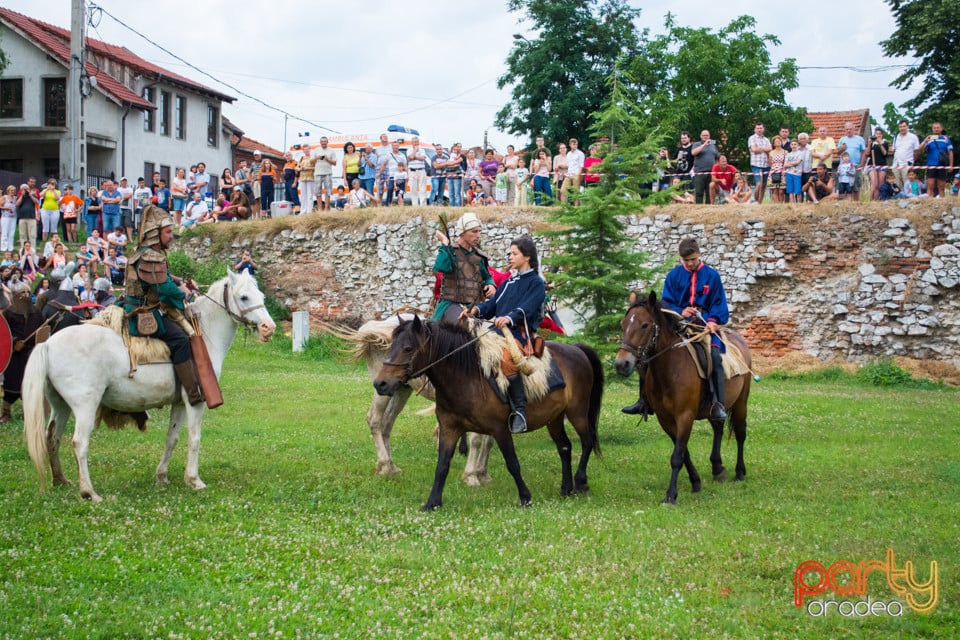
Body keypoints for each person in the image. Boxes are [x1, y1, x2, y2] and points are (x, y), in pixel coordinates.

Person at [623, 237, 729, 421]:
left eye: (693, 260)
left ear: (699, 255)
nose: (690, 263)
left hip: (704, 327)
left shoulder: (712, 276)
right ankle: (643, 401)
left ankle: (717, 404)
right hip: (678, 325)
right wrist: (681, 311)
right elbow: (666, 304)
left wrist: (713, 320)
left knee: (715, 358)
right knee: (647, 354)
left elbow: (719, 303)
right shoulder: (674, 276)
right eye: (686, 260)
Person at [461, 235, 546, 434]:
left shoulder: (536, 283)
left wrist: (509, 318)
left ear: (527, 257)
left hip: (518, 333)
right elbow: (492, 304)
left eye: (514, 253)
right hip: (495, 330)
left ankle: (520, 412)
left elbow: (528, 307)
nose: (510, 256)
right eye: (510, 253)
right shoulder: (509, 281)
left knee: (507, 359)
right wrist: (475, 311)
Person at [120, 204, 204, 405]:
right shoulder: (151, 257)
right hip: (143, 314)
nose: (171, 236)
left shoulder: (143, 254)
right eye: (167, 232)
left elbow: (162, 277)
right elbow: (164, 290)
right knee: (181, 340)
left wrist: (179, 281)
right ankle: (192, 395)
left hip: (136, 307)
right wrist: (185, 293)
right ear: (155, 235)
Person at [432, 211, 496, 324]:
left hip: (473, 307)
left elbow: (486, 277)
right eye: (474, 231)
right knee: (463, 326)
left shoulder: (479, 257)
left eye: (479, 231)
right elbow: (441, 267)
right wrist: (445, 243)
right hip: (450, 304)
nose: (478, 235)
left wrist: (490, 285)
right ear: (462, 233)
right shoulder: (451, 251)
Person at [0, 276, 44, 423]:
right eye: (22, 293)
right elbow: (3, 334)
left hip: (30, 354)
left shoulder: (36, 313)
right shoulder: (8, 313)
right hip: (14, 356)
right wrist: (14, 342)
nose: (25, 296)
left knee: (30, 386)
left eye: (27, 292)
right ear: (16, 296)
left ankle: (28, 413)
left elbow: (43, 331)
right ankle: (6, 413)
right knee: (11, 385)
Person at [917, 122, 953, 198]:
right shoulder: (929, 139)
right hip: (931, 165)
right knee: (930, 186)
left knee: (941, 186)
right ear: (932, 129)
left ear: (941, 128)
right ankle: (929, 203)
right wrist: (925, 141)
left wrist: (951, 165)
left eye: (938, 127)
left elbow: (950, 152)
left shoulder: (945, 139)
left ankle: (942, 202)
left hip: (942, 165)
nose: (936, 129)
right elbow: (919, 149)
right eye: (934, 128)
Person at [837, 123, 867, 200]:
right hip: (844, 167)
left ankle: (856, 204)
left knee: (856, 187)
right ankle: (845, 205)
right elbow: (837, 152)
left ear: (854, 130)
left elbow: (863, 152)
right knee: (843, 187)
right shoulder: (842, 139)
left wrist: (862, 163)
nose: (848, 131)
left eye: (850, 129)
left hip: (855, 166)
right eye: (847, 129)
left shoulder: (860, 139)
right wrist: (842, 148)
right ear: (845, 130)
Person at [691, 130, 720, 204]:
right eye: (703, 135)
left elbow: (717, 157)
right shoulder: (696, 144)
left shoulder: (713, 146)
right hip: (700, 172)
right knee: (699, 192)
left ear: (709, 136)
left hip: (711, 172)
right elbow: (693, 153)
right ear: (700, 136)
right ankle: (698, 208)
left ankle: (707, 209)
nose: (705, 137)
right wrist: (704, 145)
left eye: (707, 135)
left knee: (709, 192)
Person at [891, 120, 921, 188]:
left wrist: (912, 162)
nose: (902, 128)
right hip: (896, 164)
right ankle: (899, 197)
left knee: (907, 183)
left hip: (907, 164)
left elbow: (916, 151)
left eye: (904, 126)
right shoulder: (896, 137)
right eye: (900, 127)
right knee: (896, 183)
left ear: (907, 126)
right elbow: (894, 150)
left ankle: (908, 197)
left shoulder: (913, 137)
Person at [747, 123, 772, 203]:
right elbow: (754, 150)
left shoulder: (766, 139)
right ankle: (755, 201)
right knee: (759, 184)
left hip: (766, 165)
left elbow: (770, 149)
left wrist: (760, 149)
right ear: (755, 129)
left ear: (763, 129)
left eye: (761, 128)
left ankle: (760, 202)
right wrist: (765, 149)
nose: (759, 129)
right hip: (756, 164)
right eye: (757, 128)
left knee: (764, 185)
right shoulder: (752, 138)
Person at [313, 137, 337, 211]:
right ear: (320, 142)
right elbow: (311, 162)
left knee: (328, 192)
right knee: (317, 192)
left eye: (325, 141)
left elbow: (335, 163)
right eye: (322, 141)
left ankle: (326, 209)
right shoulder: (316, 150)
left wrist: (328, 159)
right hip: (318, 173)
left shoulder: (331, 150)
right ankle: (320, 209)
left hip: (328, 173)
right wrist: (317, 158)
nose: (323, 142)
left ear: (327, 142)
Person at [867, 128, 891, 201]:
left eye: (879, 134)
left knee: (880, 185)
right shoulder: (872, 143)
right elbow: (867, 153)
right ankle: (871, 200)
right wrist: (869, 143)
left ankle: (878, 200)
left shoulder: (885, 143)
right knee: (874, 184)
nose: (878, 135)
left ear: (882, 135)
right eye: (876, 134)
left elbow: (885, 153)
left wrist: (880, 144)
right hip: (872, 164)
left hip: (882, 165)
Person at [16, 179, 40, 249]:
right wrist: (21, 196)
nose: (25, 190)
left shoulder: (32, 194)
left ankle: (32, 249)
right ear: (21, 190)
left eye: (26, 189)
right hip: (22, 217)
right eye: (24, 189)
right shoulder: (20, 195)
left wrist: (30, 195)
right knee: (22, 234)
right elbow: (17, 203)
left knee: (32, 234)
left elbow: (37, 202)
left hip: (31, 217)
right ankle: (23, 249)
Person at [405, 137, 429, 206]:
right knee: (413, 189)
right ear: (412, 143)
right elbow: (410, 158)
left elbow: (423, 158)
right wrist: (415, 150)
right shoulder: (409, 150)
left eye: (417, 141)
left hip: (421, 170)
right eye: (415, 142)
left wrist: (414, 157)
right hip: (412, 171)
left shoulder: (422, 149)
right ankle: (415, 205)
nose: (416, 143)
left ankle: (423, 205)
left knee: (423, 189)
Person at [767, 136, 787, 203]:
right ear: (774, 144)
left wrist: (783, 169)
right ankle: (776, 205)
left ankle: (781, 204)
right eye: (776, 141)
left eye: (779, 141)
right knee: (775, 190)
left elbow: (786, 162)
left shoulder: (785, 152)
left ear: (781, 142)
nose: (778, 142)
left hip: (782, 172)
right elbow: (770, 163)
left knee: (781, 191)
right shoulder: (771, 152)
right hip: (774, 172)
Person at [297, 148, 315, 213]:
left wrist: (307, 168)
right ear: (303, 151)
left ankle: (309, 211)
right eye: (305, 149)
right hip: (302, 178)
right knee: (303, 195)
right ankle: (303, 210)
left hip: (310, 177)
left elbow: (315, 167)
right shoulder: (301, 158)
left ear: (310, 150)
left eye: (307, 149)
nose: (306, 151)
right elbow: (297, 167)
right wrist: (299, 169)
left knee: (309, 195)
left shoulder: (312, 158)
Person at [1, 185, 16, 251]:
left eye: (14, 190)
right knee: (5, 232)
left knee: (11, 232)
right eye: (11, 190)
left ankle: (10, 247)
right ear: (8, 191)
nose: (12, 192)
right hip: (5, 217)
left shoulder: (15, 198)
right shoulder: (4, 197)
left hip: (13, 217)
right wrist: (6, 208)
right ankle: (3, 247)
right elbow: (0, 206)